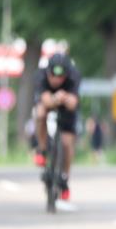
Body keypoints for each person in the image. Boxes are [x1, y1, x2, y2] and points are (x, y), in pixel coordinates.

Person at [33, 53, 81, 201]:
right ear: (48, 72)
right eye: (53, 75)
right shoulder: (40, 76)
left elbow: (73, 103)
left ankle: (65, 178)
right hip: (49, 101)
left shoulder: (74, 75)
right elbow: (45, 100)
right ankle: (41, 149)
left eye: (61, 77)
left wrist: (64, 97)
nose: (56, 80)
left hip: (67, 107)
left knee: (67, 142)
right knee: (40, 114)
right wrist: (56, 98)